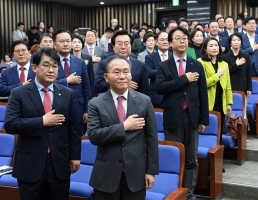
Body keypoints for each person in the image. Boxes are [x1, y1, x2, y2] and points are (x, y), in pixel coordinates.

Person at [4, 47, 81, 200]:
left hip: (59, 162)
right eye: (46, 65)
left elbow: (74, 128)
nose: (51, 70)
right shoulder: (19, 93)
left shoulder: (67, 93)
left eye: (54, 66)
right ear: (35, 67)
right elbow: (10, 124)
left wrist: (75, 156)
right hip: (30, 163)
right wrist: (42, 121)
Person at [87, 55, 158, 200]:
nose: (122, 76)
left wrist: (151, 171)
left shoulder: (144, 101)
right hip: (106, 174)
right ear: (106, 77)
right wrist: (124, 127)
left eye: (126, 72)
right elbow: (94, 136)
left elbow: (152, 138)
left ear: (131, 75)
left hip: (136, 173)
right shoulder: (96, 104)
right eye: (116, 72)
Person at [155, 26, 209, 200]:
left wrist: (203, 119)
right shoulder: (164, 66)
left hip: (192, 116)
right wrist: (184, 79)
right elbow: (160, 88)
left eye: (185, 38)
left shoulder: (197, 64)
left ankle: (189, 193)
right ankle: (174, 191)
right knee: (174, 156)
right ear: (170, 43)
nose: (182, 41)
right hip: (173, 117)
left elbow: (202, 94)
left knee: (191, 159)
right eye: (177, 38)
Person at [53, 28, 92, 135]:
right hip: (56, 110)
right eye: (62, 41)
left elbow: (87, 88)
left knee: (77, 141)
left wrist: (87, 110)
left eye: (68, 41)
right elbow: (46, 84)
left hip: (78, 109)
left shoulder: (80, 62)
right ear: (54, 44)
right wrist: (66, 81)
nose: (66, 44)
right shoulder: (50, 62)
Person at [199, 37, 233, 146]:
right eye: (211, 46)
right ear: (205, 49)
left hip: (221, 101)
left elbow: (228, 85)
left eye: (216, 45)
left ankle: (218, 157)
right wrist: (217, 75)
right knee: (207, 130)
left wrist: (228, 102)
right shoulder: (201, 63)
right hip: (207, 101)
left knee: (219, 130)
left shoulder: (224, 64)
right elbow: (203, 83)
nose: (215, 48)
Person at [94, 30, 149, 95]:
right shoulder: (104, 63)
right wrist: (119, 84)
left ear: (131, 46)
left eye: (126, 44)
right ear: (113, 46)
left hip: (134, 103)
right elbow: (98, 86)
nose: (123, 47)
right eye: (119, 44)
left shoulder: (141, 65)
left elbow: (145, 91)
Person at [223, 33, 252, 118]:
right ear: (230, 43)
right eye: (234, 40)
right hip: (230, 86)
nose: (236, 42)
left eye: (238, 40)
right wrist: (236, 64)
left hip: (243, 86)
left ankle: (242, 128)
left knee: (243, 111)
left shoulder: (246, 56)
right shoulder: (225, 57)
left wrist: (249, 88)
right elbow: (225, 73)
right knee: (230, 111)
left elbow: (248, 73)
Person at [145, 31, 172, 108]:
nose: (165, 42)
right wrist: (165, 70)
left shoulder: (173, 57)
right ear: (156, 42)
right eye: (162, 40)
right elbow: (149, 73)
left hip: (172, 95)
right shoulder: (150, 57)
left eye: (167, 40)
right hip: (156, 96)